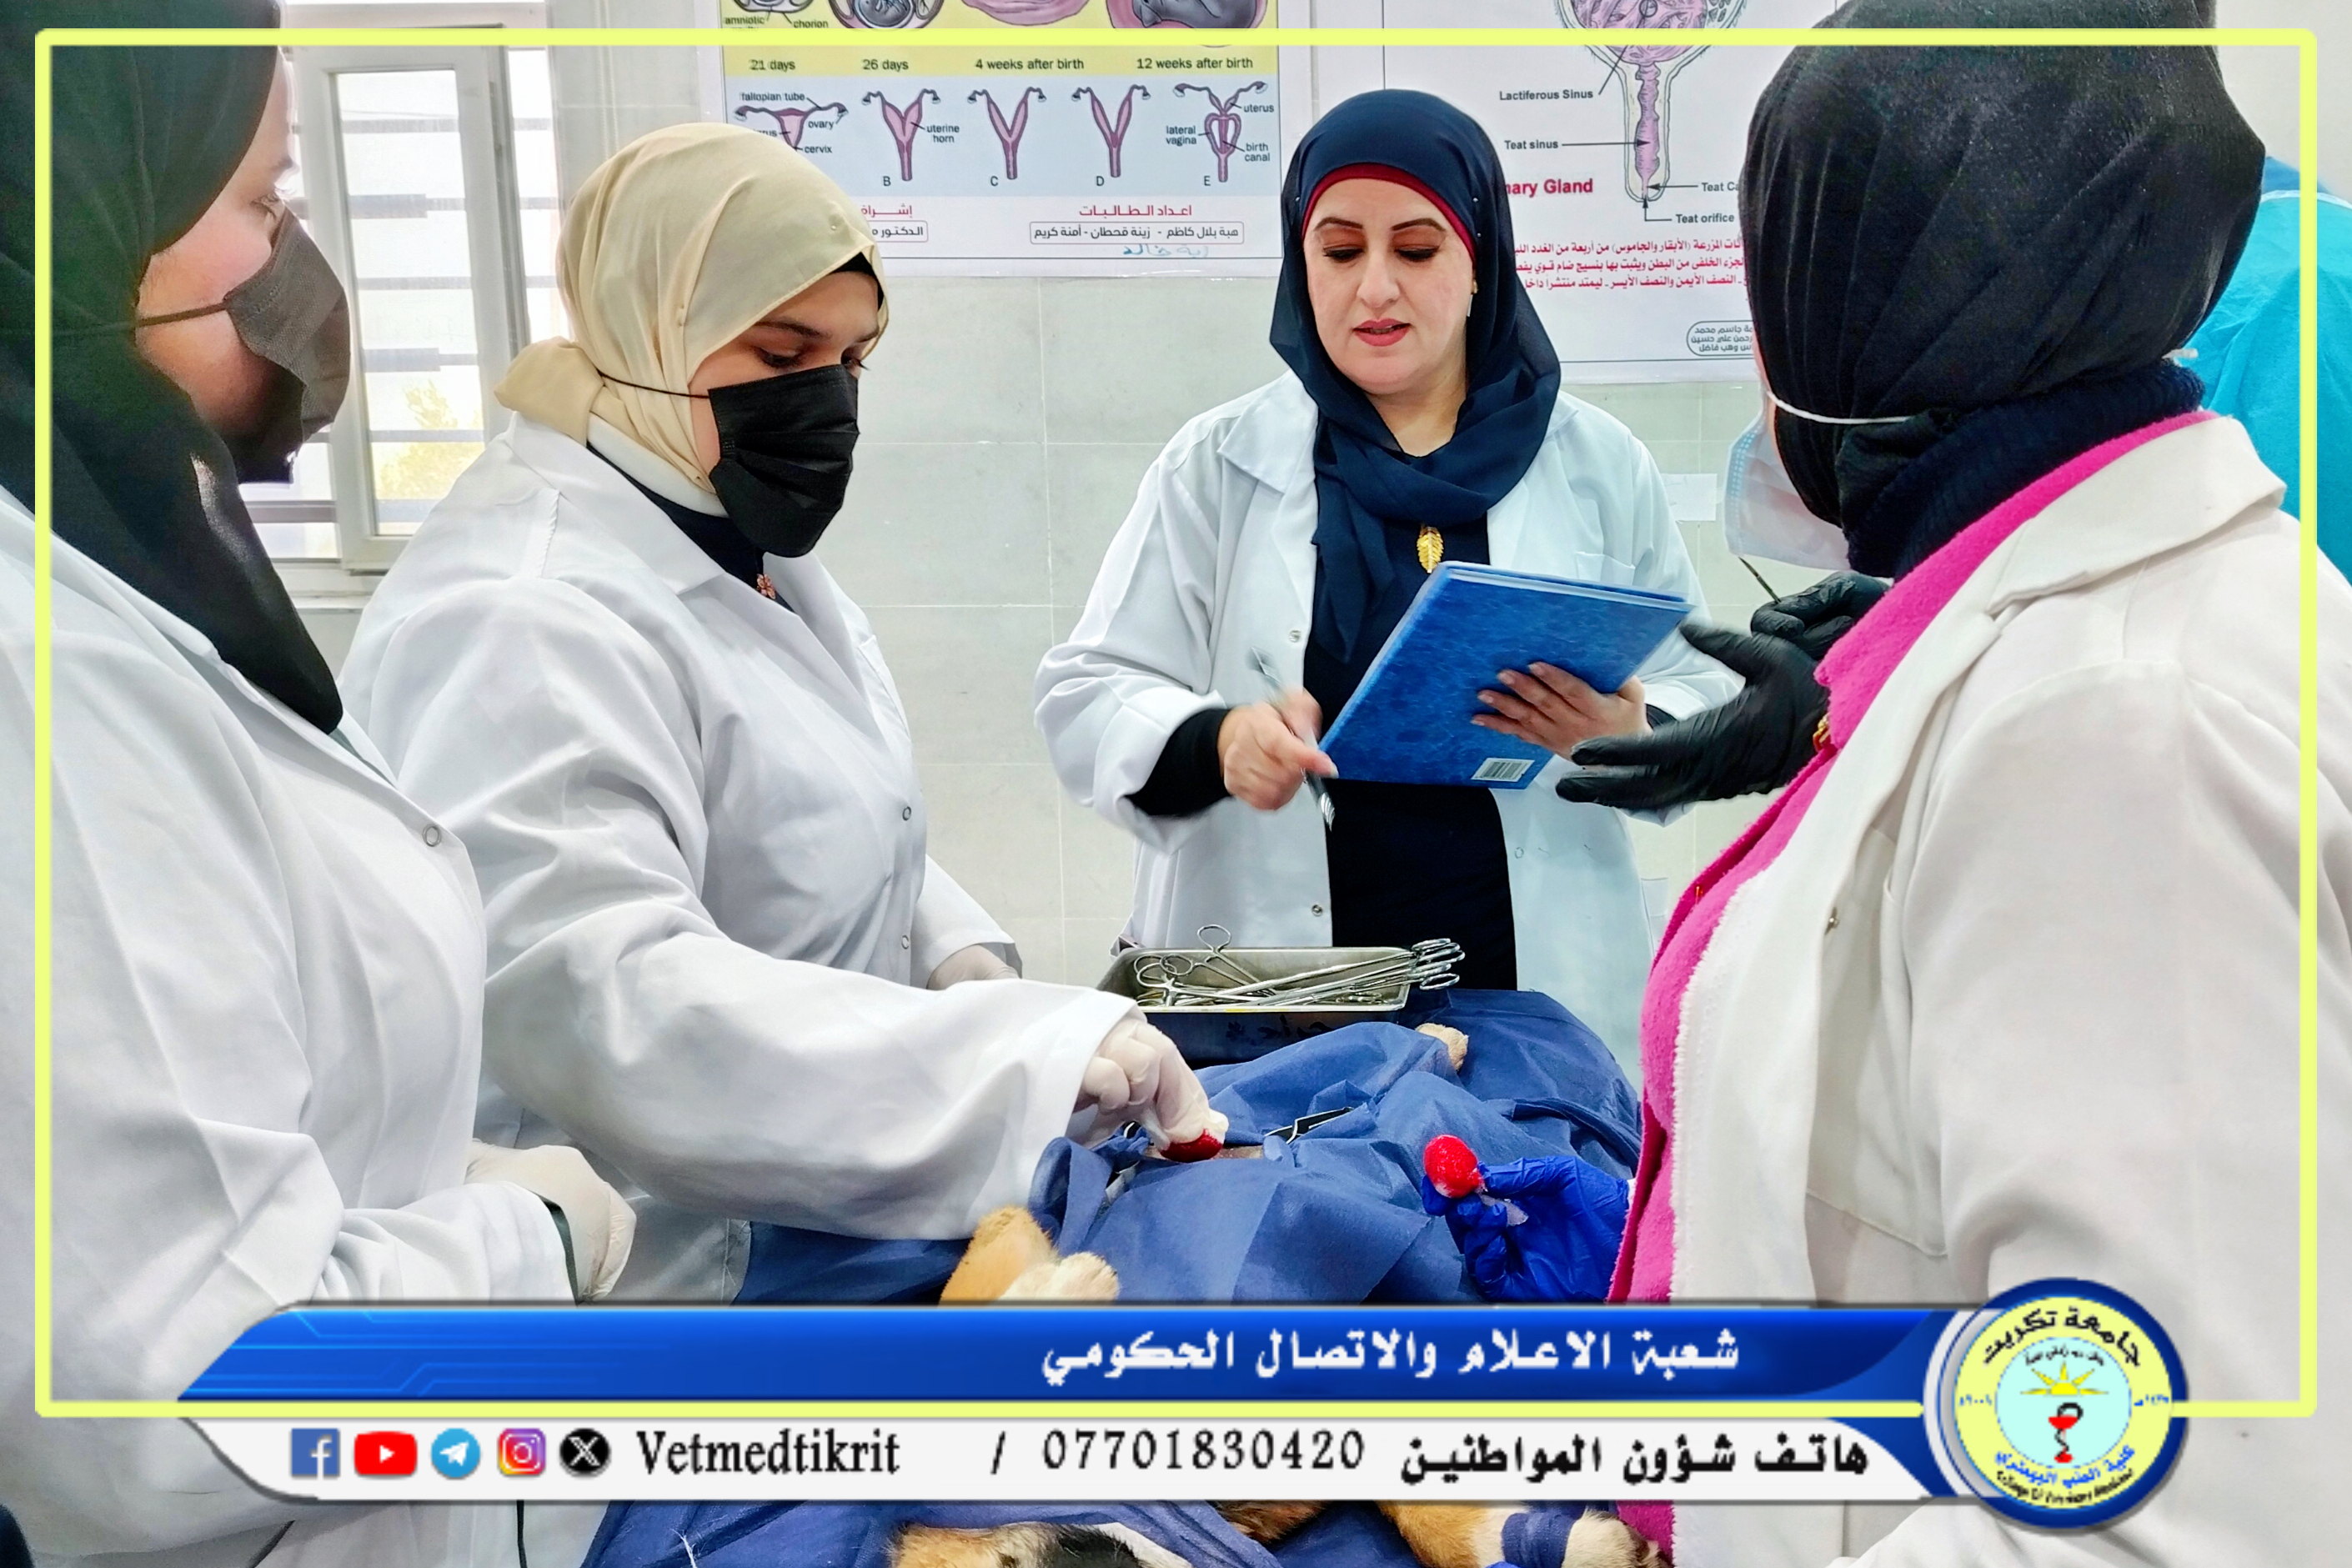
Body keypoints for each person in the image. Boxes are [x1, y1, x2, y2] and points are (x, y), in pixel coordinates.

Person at [1597, 1, 2351, 1562]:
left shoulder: (2118, 734)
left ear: (1848, 316)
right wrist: (1881, 693)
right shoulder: (2103, 625)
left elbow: (2171, 1514)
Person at [341, 123, 1221, 1302]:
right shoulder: (524, 611)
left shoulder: (721, 533)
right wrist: (1010, 1057)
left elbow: (809, 805)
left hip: (804, 1211)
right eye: (781, 350)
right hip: (665, 1263)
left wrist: (947, 950)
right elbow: (617, 1013)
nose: (825, 400)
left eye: (852, 359)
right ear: (647, 326)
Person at [0, 6, 635, 1564]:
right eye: (261, 200)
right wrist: (530, 1239)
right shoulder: (43, 671)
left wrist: (417, 1175)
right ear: (83, 209)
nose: (295, 260)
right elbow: (180, 1399)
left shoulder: (125, 575)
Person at [1033, 91, 1738, 1065]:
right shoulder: (1218, 464)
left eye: (1414, 249)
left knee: (1528, 1162)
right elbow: (1090, 690)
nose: (1374, 289)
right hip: (1280, 999)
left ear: (1479, 260)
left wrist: (1626, 731)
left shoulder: (1595, 462)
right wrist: (1214, 741)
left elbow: (1698, 680)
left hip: (1530, 993)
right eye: (1338, 250)